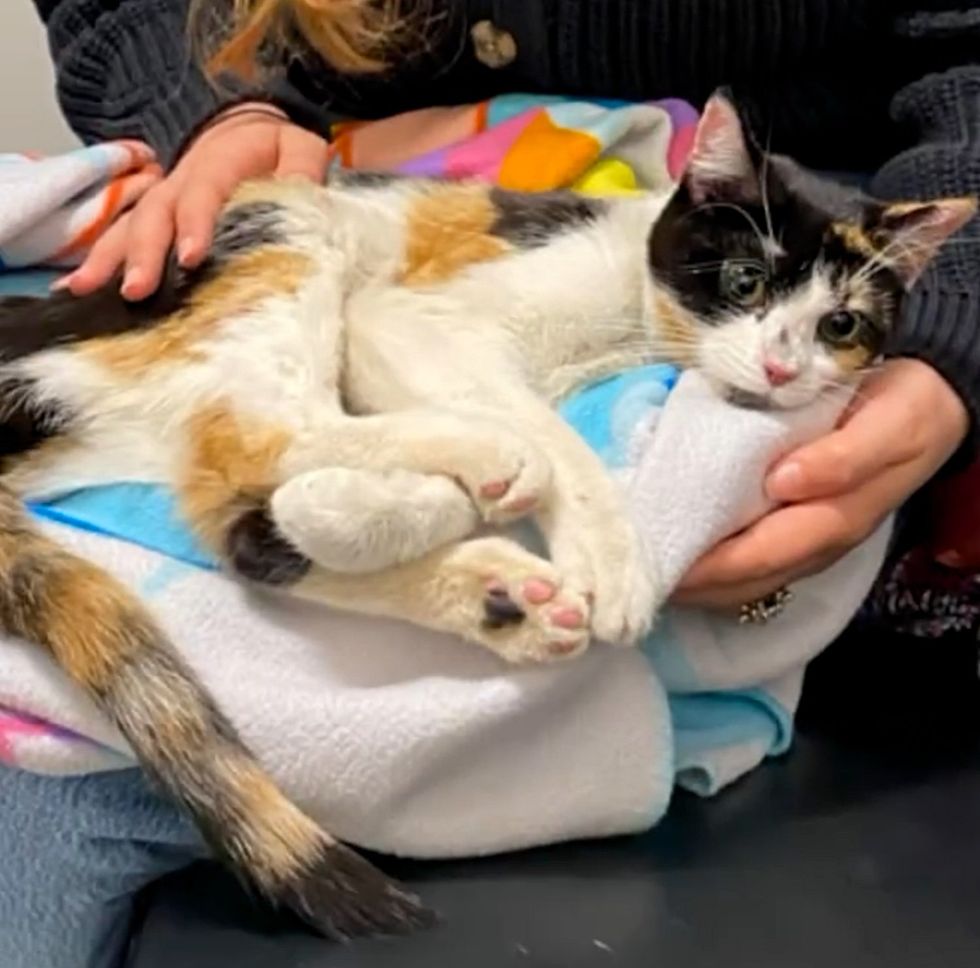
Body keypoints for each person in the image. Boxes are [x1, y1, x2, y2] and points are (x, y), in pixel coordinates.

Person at [2, 3, 977, 966]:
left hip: (798, 255)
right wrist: (218, 108)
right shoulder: (606, 264)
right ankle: (318, 517)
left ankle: (335, 544)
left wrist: (953, 330)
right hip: (247, 266)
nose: (780, 361)